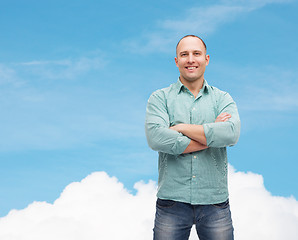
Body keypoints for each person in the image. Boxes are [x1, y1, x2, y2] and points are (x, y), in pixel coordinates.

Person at [145, 35, 241, 240]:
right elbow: (156, 138)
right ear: (176, 60)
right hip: (171, 201)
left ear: (206, 59)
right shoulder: (160, 98)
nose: (190, 59)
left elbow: (231, 134)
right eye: (184, 54)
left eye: (196, 54)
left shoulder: (222, 98)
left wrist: (180, 128)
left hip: (215, 201)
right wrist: (211, 134)